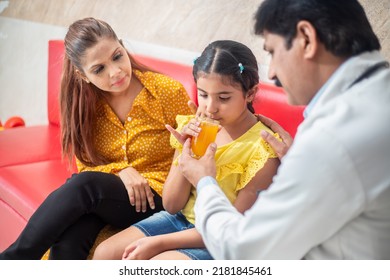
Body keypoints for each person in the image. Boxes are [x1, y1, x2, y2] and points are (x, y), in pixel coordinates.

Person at [178, 0, 390, 259]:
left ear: (306, 38)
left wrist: (204, 182)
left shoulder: (331, 140)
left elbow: (244, 250)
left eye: (273, 52)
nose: (274, 72)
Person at [0, 17, 192, 260]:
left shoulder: (166, 91)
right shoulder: (85, 106)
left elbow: (193, 148)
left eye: (117, 56)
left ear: (122, 46)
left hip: (162, 197)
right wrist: (121, 171)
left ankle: (12, 260)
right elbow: (86, 163)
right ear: (83, 75)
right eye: (99, 69)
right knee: (70, 237)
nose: (116, 71)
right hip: (112, 199)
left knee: (83, 185)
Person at [91, 40, 280, 260]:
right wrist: (185, 149)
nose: (210, 107)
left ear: (250, 93)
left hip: (219, 240)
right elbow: (172, 205)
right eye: (203, 94)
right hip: (180, 220)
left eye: (224, 98)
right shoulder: (195, 126)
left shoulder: (263, 148)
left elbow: (231, 231)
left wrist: (159, 243)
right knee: (104, 253)